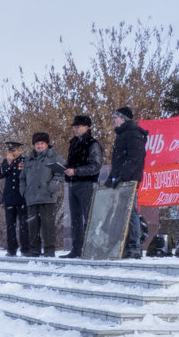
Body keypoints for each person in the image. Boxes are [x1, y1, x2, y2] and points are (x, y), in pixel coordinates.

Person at [107, 106, 149, 259]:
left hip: (129, 180)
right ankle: (124, 245)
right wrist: (110, 179)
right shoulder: (123, 135)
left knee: (130, 213)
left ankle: (134, 246)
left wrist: (122, 176)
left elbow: (135, 158)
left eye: (115, 117)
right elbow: (118, 162)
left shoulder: (133, 134)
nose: (113, 121)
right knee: (122, 213)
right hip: (121, 180)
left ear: (124, 119)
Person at [63, 115, 103, 259]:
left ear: (87, 127)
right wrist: (65, 170)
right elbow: (70, 163)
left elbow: (96, 166)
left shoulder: (92, 143)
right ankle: (76, 249)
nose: (75, 129)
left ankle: (91, 248)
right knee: (75, 219)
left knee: (89, 217)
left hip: (87, 184)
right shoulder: (73, 143)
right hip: (73, 184)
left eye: (78, 126)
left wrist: (77, 171)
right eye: (74, 126)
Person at [21, 132, 64, 257]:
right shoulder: (28, 159)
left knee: (48, 225)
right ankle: (34, 249)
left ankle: (49, 250)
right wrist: (24, 191)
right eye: (37, 144)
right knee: (33, 226)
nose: (39, 146)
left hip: (47, 197)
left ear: (46, 144)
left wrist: (51, 188)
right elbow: (22, 178)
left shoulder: (54, 156)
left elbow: (59, 174)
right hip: (32, 197)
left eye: (42, 143)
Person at [0, 141, 28, 257]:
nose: (11, 153)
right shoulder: (5, 162)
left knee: (24, 224)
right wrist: (8, 163)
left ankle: (25, 249)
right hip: (9, 197)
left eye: (13, 150)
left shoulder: (24, 161)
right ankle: (11, 249)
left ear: (19, 151)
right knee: (10, 225)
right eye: (9, 151)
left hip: (21, 197)